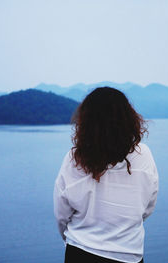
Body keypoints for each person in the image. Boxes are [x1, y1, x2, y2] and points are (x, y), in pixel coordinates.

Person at [53, 87, 158, 263]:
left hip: (80, 251)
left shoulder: (75, 159)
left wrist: (71, 240)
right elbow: (148, 205)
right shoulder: (144, 155)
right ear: (128, 118)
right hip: (128, 254)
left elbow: (61, 213)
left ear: (86, 122)